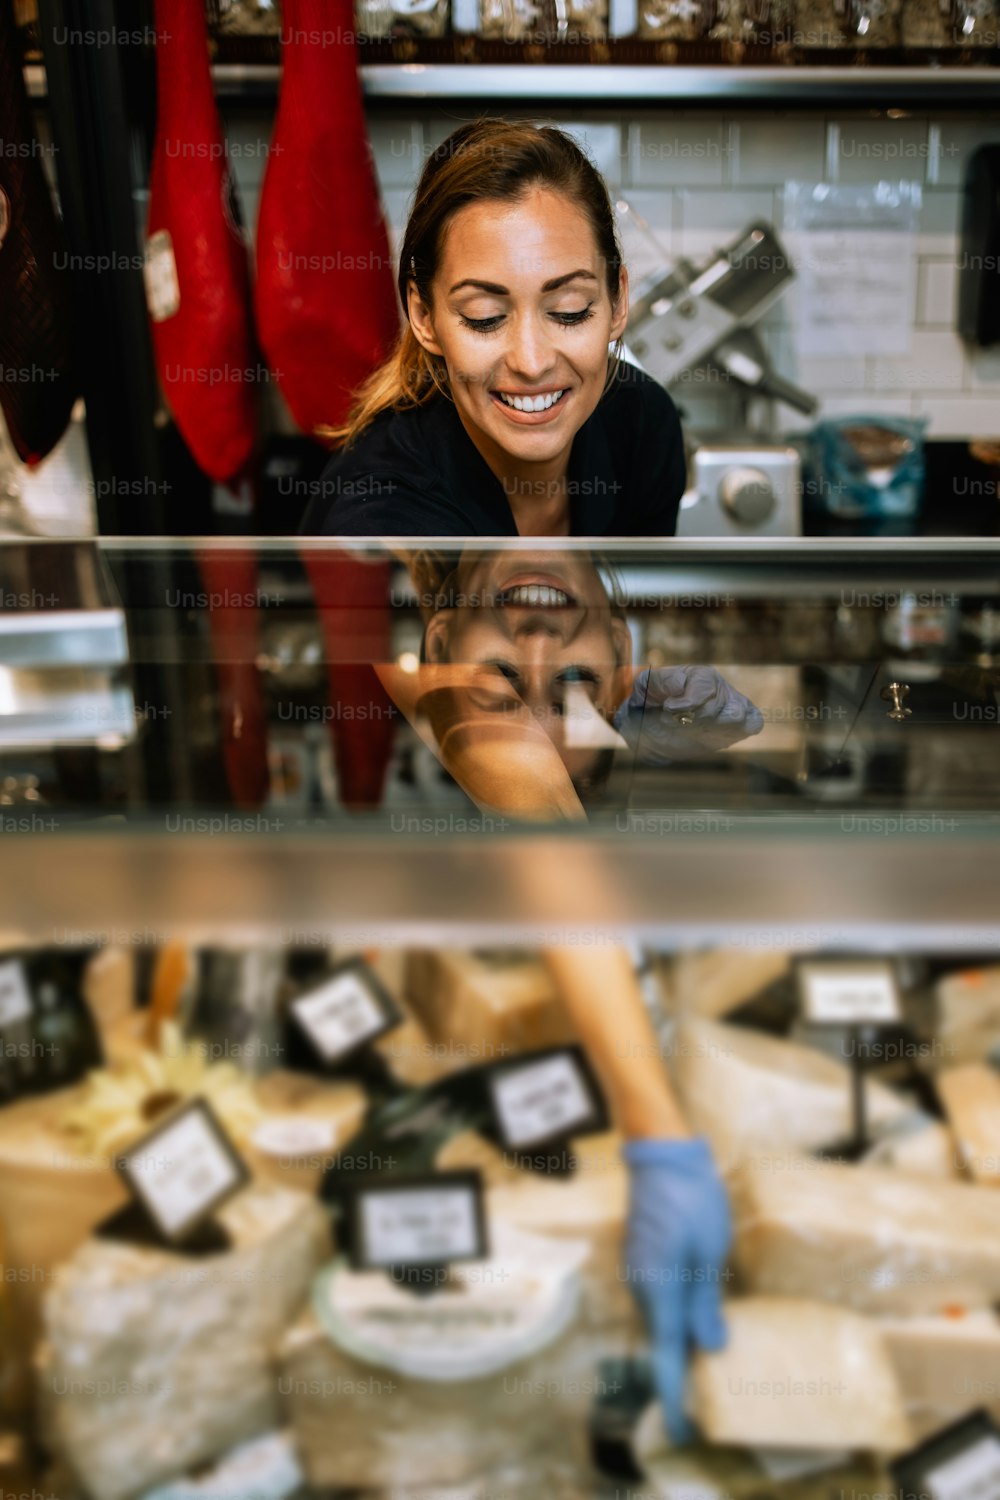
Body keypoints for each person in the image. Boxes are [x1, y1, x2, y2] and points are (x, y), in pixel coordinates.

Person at [298, 118, 687, 538]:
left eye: (569, 310)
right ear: (423, 316)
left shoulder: (643, 422)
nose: (532, 362)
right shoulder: (379, 515)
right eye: (485, 317)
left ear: (617, 302)